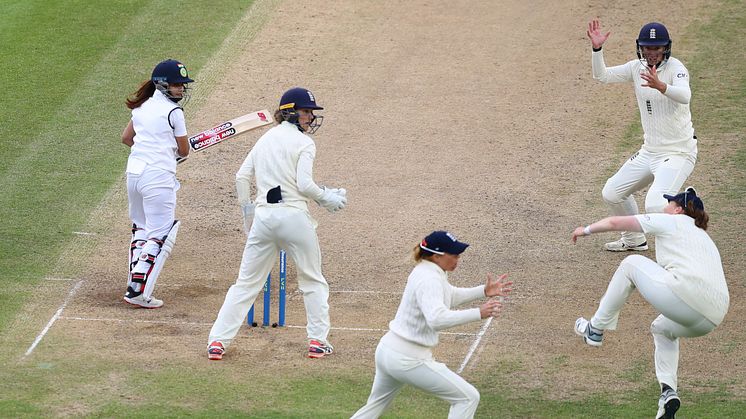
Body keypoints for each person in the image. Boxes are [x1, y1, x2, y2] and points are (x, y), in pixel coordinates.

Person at [207, 87, 347, 360]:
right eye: (306, 112)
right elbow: (305, 185)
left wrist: (248, 213)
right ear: (291, 113)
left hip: (264, 219)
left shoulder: (265, 138)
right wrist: (326, 198)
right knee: (313, 280)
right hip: (294, 217)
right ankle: (317, 340)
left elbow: (241, 177)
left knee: (245, 284)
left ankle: (217, 342)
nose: (310, 117)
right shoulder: (305, 143)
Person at [571, 187, 729, 419]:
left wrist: (585, 230)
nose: (665, 206)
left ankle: (595, 329)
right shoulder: (705, 239)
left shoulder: (671, 221)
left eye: (670, 203)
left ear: (678, 209)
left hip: (686, 296)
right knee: (662, 329)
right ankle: (668, 393)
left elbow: (616, 223)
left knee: (631, 264)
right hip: (713, 316)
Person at [351, 231, 512, 419]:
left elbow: (448, 295)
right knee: (468, 398)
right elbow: (436, 319)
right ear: (436, 256)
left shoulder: (427, 270)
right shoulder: (429, 278)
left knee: (373, 408)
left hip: (388, 351)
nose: (458, 259)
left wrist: (483, 291)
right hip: (408, 359)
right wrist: (478, 313)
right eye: (454, 255)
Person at [586, 20, 698, 252]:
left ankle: (685, 237)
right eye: (647, 47)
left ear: (666, 48)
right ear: (640, 47)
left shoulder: (676, 68)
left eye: (656, 48)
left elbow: (685, 95)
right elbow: (602, 76)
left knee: (655, 203)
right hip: (650, 151)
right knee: (612, 193)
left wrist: (661, 86)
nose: (651, 52)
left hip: (678, 152)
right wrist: (597, 50)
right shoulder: (636, 68)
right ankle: (634, 240)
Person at [121, 59, 194, 308]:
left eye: (182, 85)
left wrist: (157, 153)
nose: (181, 90)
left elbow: (127, 138)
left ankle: (134, 282)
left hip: (134, 173)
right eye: (177, 85)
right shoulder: (175, 112)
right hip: (158, 178)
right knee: (160, 234)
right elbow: (184, 150)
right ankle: (139, 292)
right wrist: (168, 155)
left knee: (141, 228)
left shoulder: (141, 107)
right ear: (162, 85)